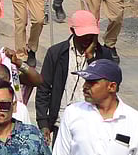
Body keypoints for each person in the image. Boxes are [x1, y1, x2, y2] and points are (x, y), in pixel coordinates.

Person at [35, 10, 119, 142]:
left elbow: (108, 86)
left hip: (94, 123)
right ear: (72, 31)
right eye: (83, 35)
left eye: (91, 35)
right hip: (61, 122)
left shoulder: (104, 55)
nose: (87, 38)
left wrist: (91, 58)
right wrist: (43, 122)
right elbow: (43, 88)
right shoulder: (56, 53)